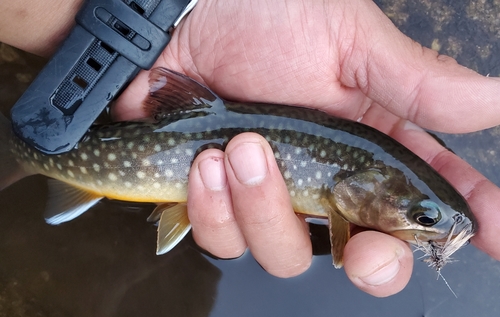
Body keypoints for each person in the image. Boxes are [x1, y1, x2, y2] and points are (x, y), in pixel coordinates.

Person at [1, 0, 500, 298]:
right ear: (365, 188)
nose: (429, 227)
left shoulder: (359, 171)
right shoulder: (353, 179)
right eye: (425, 217)